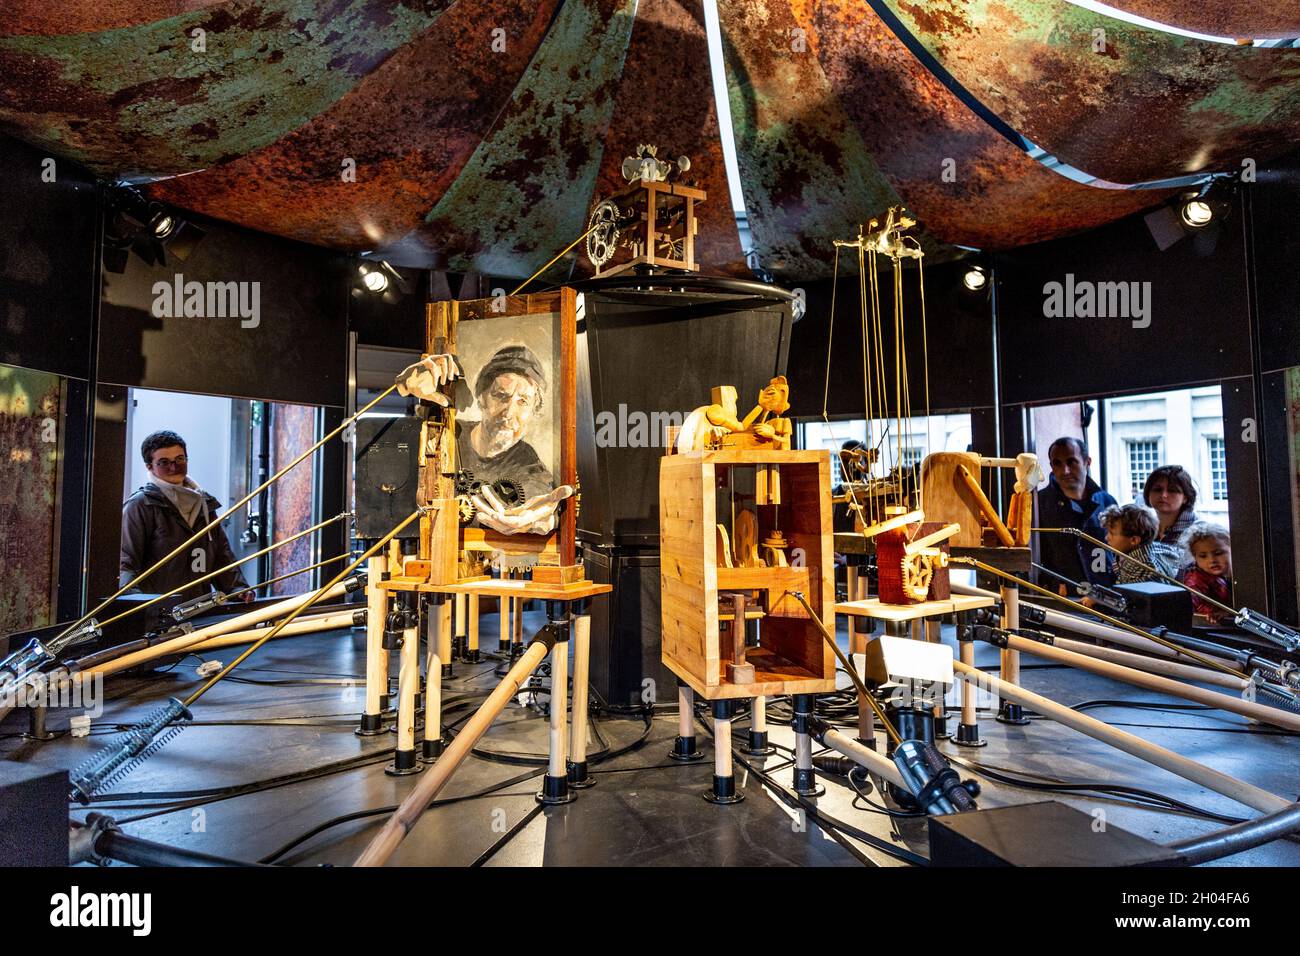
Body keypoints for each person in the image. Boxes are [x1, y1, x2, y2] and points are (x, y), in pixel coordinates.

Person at [121, 430, 252, 603]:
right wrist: (138, 607)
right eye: (164, 462)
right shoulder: (141, 505)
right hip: (159, 618)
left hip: (199, 612)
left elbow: (221, 557)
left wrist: (237, 589)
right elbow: (126, 563)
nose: (174, 467)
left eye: (179, 459)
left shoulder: (204, 504)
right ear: (149, 466)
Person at [456, 345, 554, 503]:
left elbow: (540, 501)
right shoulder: (451, 434)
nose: (508, 413)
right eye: (501, 395)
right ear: (482, 397)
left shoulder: (530, 467)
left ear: (533, 410)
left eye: (523, 401)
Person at [1035, 436, 1117, 593]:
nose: (1065, 470)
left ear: (1088, 462)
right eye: (1057, 463)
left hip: (1105, 599)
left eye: (1071, 462)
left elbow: (1118, 553)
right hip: (1062, 601)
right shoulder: (1038, 504)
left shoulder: (1107, 502)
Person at [1097, 503, 1179, 584]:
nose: (1107, 537)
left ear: (1134, 540)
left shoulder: (1144, 567)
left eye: (1112, 534)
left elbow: (1129, 595)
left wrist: (1099, 597)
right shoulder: (1128, 553)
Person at [1178, 521, 1232, 622]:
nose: (1212, 560)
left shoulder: (1238, 574)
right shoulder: (1196, 580)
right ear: (1195, 557)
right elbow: (1189, 601)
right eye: (1203, 556)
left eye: (1218, 553)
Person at [1142, 464, 1199, 546]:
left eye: (1172, 490)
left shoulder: (1198, 532)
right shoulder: (1143, 530)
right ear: (1148, 494)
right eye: (1158, 490)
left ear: (1185, 497)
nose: (1163, 495)